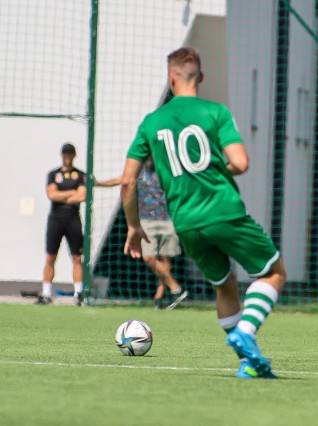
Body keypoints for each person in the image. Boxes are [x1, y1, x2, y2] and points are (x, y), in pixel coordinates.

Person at [121, 46, 286, 379]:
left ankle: (247, 363)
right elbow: (241, 162)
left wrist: (134, 227)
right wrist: (215, 169)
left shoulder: (152, 122)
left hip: (185, 222)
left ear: (171, 78)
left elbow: (128, 181)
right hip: (223, 211)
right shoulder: (216, 112)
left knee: (225, 287)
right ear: (201, 77)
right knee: (273, 273)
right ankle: (246, 334)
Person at [96, 158, 188, 310]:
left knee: (165, 262)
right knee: (149, 257)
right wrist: (99, 183)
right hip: (147, 221)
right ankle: (176, 288)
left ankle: (160, 298)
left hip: (168, 220)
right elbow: (121, 180)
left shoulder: (167, 170)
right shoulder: (138, 172)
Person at [38, 143, 86, 306]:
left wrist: (63, 195)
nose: (67, 156)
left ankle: (79, 293)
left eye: (70, 153)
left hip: (73, 218)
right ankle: (46, 292)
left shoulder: (80, 175)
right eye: (65, 153)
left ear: (74, 155)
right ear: (61, 154)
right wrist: (71, 192)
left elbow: (82, 196)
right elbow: (52, 194)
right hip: (55, 218)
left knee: (77, 257)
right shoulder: (53, 174)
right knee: (51, 256)